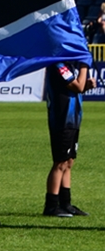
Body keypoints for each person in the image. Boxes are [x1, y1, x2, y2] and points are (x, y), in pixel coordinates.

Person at [43, 60, 96, 217]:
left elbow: (77, 89)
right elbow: (76, 86)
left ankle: (66, 203)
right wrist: (85, 66)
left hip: (73, 119)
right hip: (62, 120)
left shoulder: (70, 66)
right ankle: (51, 205)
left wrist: (86, 86)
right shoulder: (59, 65)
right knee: (60, 162)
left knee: (69, 161)